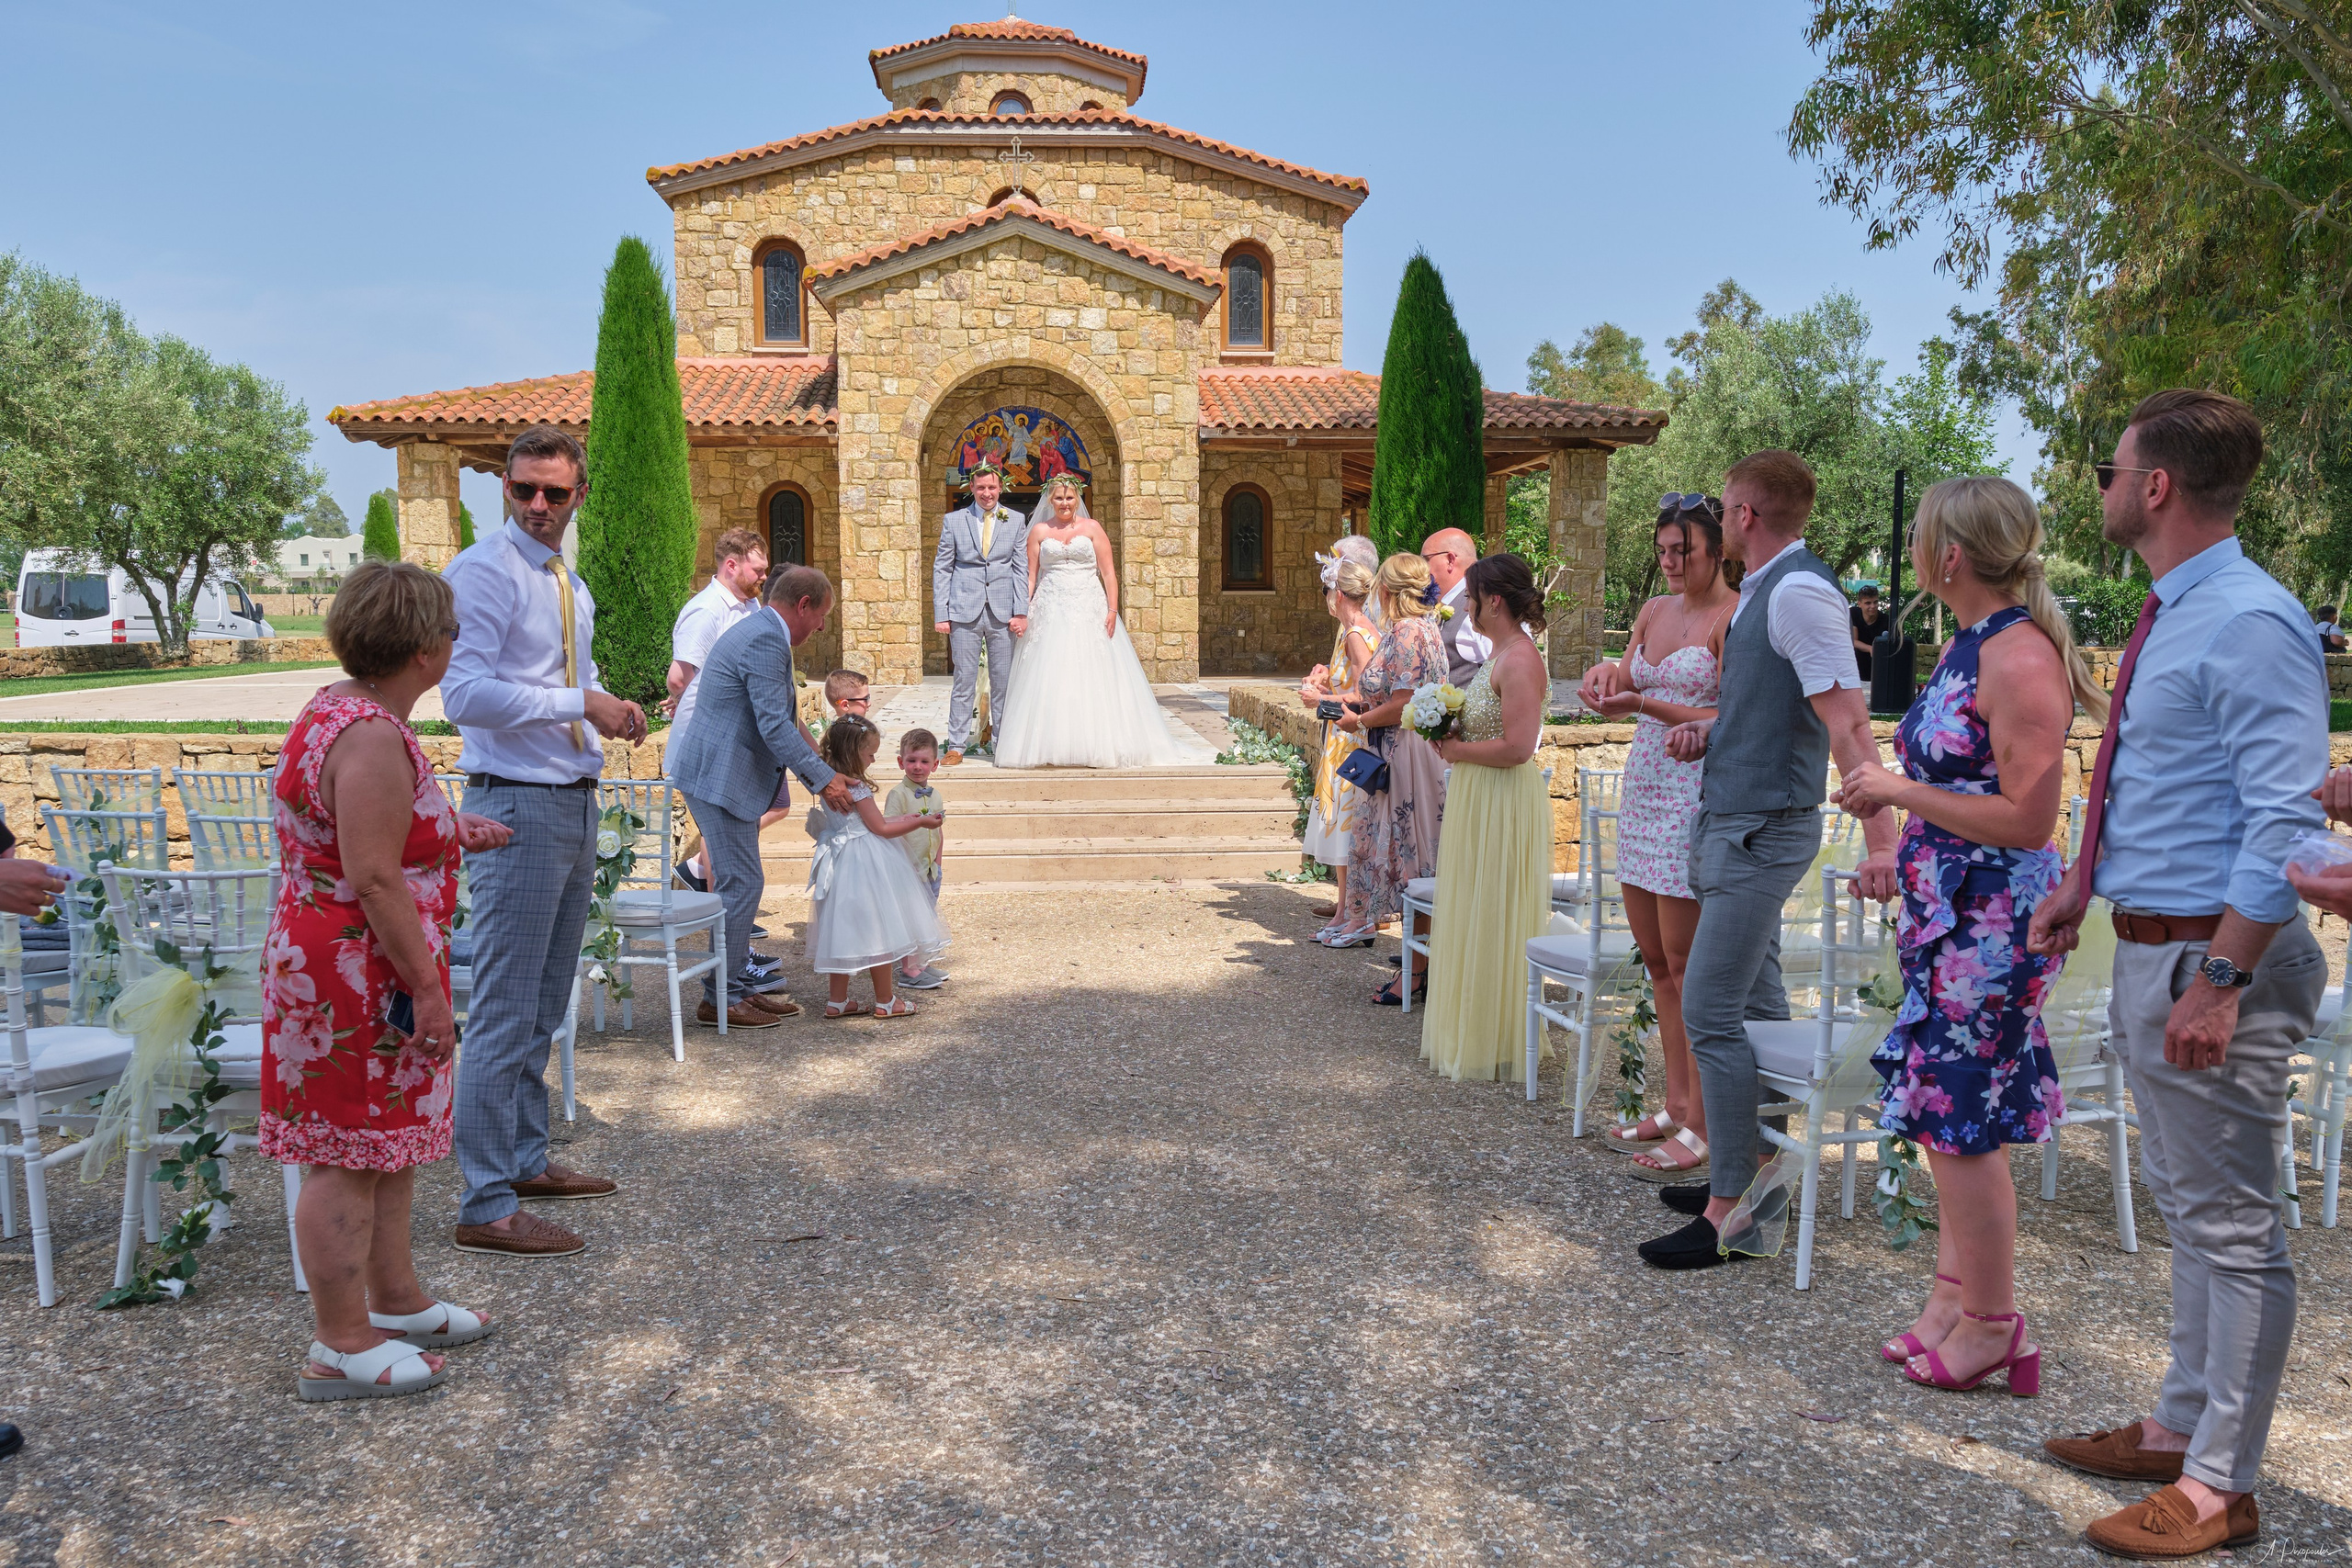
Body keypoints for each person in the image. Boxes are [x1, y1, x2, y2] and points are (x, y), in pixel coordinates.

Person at [2025, 389, 2328, 1560]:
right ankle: (2180, 1424)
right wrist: (2083, 884)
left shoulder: (2246, 619)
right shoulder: (2180, 613)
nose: (2099, 488)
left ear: (2154, 487)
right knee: (2198, 1217)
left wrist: (2219, 980)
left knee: (2234, 1225)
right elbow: (2165, 789)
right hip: (2162, 939)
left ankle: (2217, 1487)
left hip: (2212, 958)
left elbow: (2278, 821)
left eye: (2111, 471)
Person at [1833, 476, 2108, 1396]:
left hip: (1993, 922)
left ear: (1948, 555)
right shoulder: (1969, 641)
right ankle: (1952, 1300)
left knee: (1959, 1117)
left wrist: (1893, 790)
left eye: (1919, 537)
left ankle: (1993, 1322)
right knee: (1947, 1109)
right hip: (1948, 916)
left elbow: (2030, 821)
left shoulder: (2018, 656)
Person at [1636, 450, 1901, 1270]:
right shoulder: (1766, 592)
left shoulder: (1800, 593)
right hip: (1733, 817)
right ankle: (1759, 1178)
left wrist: (1886, 842)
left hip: (1763, 829)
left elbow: (1850, 723)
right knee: (1753, 1001)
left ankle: (1730, 1211)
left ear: (1745, 515)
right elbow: (1768, 705)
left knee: (1712, 1008)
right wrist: (1710, 730)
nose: (1721, 518)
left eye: (1724, 507)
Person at [264, 562, 513, 1396]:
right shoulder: (369, 733)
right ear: (427, 651)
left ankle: (395, 1298)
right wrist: (432, 991)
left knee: (388, 1141)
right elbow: (371, 876)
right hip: (355, 974)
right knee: (342, 1151)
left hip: (360, 962)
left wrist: (449, 832)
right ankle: (339, 1339)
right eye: (448, 631)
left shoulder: (343, 711)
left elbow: (369, 837)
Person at [443, 426, 645, 1261]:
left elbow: (554, 681)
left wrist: (603, 705)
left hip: (569, 800)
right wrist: (578, 704)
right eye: (522, 488)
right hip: (514, 806)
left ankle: (523, 1162)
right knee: (499, 1009)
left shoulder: (568, 578)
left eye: (553, 493)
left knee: (543, 999)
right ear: (505, 486)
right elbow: (465, 696)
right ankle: (485, 1199)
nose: (536, 505)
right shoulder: (481, 573)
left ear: (578, 496)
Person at [1577, 494, 1737, 1178]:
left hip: (1692, 793)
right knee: (1657, 962)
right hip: (1645, 784)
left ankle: (1704, 1121)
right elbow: (1622, 673)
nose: (1671, 563)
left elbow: (1727, 711)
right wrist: (1602, 678)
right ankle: (1675, 1101)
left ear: (1717, 549)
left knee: (1689, 962)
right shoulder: (1653, 609)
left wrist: (1640, 700)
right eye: (1663, 551)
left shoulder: (1733, 616)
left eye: (1685, 551)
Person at [669, 565, 857, 1030]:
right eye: (821, 617)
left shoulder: (763, 631)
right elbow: (773, 726)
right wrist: (824, 781)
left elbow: (782, 717)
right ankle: (722, 999)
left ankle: (732, 991)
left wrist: (829, 768)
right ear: (804, 605)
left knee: (742, 881)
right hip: (719, 778)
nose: (821, 628)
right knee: (741, 883)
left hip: (719, 774)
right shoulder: (765, 638)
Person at [1420, 554, 1554, 1079]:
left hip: (1502, 798)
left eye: (1472, 598)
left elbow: (1520, 747)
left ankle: (1494, 1034)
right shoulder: (1502, 654)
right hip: (1481, 795)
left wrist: (1456, 752)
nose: (1466, 607)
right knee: (1474, 907)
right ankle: (1476, 1027)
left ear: (1493, 601)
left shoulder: (1519, 660)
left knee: (1494, 910)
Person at [994, 472, 1193, 768]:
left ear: (1078, 499)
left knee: (1091, 669)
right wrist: (1022, 611)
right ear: (1051, 499)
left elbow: (1109, 573)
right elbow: (1030, 576)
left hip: (1089, 605)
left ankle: (1098, 745)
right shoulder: (1037, 531)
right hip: (1050, 607)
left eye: (1070, 497)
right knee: (1050, 672)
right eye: (1059, 498)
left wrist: (1112, 611)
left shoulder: (1093, 528)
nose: (1064, 503)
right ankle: (1050, 745)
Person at [1332, 553, 1451, 996]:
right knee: (1417, 860)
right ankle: (1421, 965)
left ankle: (1414, 975)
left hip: (1405, 755)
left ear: (1386, 590)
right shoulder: (1429, 628)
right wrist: (1362, 708)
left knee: (1411, 860)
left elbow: (1403, 704)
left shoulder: (1405, 632)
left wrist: (1359, 721)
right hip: (1410, 748)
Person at [806, 715, 947, 1019]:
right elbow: (880, 828)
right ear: (854, 752)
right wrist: (920, 821)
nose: (872, 759)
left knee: (841, 930)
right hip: (866, 862)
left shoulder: (827, 781)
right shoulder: (856, 788)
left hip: (840, 861)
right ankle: (886, 1001)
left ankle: (837, 1001)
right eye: (870, 753)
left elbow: (870, 823)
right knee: (880, 931)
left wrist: (908, 819)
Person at [666, 529, 768, 895]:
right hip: (707, 746)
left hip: (734, 744)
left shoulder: (750, 606)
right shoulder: (706, 610)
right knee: (725, 843)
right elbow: (679, 678)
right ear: (731, 565)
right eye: (757, 569)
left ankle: (729, 924)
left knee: (736, 838)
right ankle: (727, 928)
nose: (763, 577)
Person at [1299, 552, 1380, 939]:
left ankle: (1353, 915)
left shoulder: (1354, 634)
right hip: (1344, 737)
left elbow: (1367, 693)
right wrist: (1326, 676)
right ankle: (1346, 911)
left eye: (1327, 590)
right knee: (1346, 830)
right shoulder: (1355, 630)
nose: (1325, 597)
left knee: (1347, 827)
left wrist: (1323, 702)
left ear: (1339, 594)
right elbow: (1353, 679)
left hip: (1351, 739)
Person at [933, 463, 1030, 764]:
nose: (986, 493)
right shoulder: (954, 520)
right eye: (980, 488)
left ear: (1001, 488)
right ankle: (957, 745)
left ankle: (1002, 745)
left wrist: (1020, 612)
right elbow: (943, 567)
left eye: (991, 488)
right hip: (964, 609)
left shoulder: (1014, 520)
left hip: (1002, 611)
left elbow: (1020, 567)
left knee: (1003, 681)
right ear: (971, 488)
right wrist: (941, 613)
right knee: (964, 678)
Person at [886, 728, 948, 990]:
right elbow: (888, 828)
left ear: (935, 765)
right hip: (908, 871)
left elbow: (938, 830)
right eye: (911, 760)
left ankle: (920, 963)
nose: (917, 767)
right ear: (901, 762)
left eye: (924, 762)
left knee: (925, 917)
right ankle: (909, 971)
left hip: (930, 869)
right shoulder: (898, 795)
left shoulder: (934, 795)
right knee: (911, 919)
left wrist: (939, 862)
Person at [1420, 527, 1495, 687]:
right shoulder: (1430, 603)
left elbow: (1500, 668)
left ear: (1450, 560)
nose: (1421, 568)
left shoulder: (1483, 605)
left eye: (1426, 559)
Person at [1849, 583, 1887, 681]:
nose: (1873, 606)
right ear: (1859, 604)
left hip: (1878, 667)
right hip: (1856, 667)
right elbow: (1853, 641)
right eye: (1868, 603)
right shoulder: (1853, 614)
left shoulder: (1886, 620)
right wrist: (1871, 648)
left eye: (1875, 602)